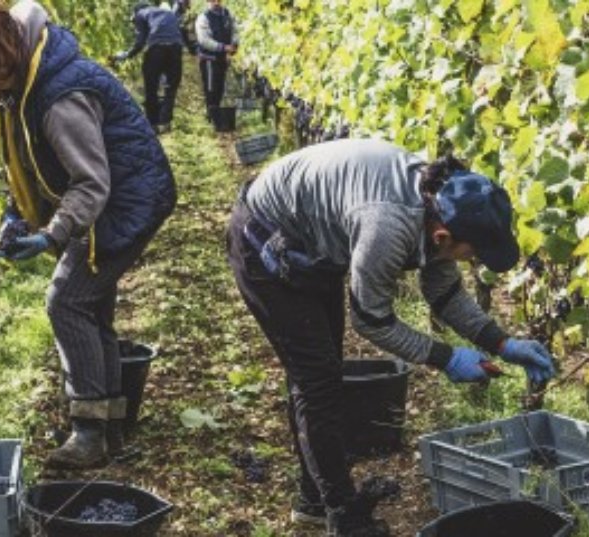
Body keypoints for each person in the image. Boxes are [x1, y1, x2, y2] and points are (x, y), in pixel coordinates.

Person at [226, 139, 555, 536]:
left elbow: (446, 294)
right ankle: (344, 518)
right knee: (317, 381)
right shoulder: (388, 225)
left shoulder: (437, 206)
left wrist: (503, 344)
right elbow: (371, 319)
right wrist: (445, 358)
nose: (474, 262)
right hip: (265, 242)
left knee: (319, 375)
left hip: (310, 244)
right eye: (474, 254)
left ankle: (314, 499)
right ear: (442, 237)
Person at [0, 0, 176, 470]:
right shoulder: (22, 77)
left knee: (66, 301)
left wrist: (53, 235)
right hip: (113, 196)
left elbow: (92, 182)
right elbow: (27, 158)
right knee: (92, 306)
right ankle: (110, 427)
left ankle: (89, 432)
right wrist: (16, 212)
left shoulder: (57, 95)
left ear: (10, 48)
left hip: (129, 201)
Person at [114, 2, 184, 132]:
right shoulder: (167, 13)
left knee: (151, 86)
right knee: (171, 87)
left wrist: (126, 55)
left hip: (157, 49)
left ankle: (152, 124)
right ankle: (165, 122)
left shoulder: (140, 14)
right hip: (176, 48)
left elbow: (140, 41)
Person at [195, 0, 238, 122]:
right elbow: (204, 40)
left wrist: (234, 44)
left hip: (222, 58)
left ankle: (216, 115)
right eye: (213, 1)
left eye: (218, 0)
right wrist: (223, 47)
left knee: (220, 86)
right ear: (208, 2)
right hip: (209, 58)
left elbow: (235, 31)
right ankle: (211, 116)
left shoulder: (227, 15)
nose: (216, 3)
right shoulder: (203, 18)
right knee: (211, 88)